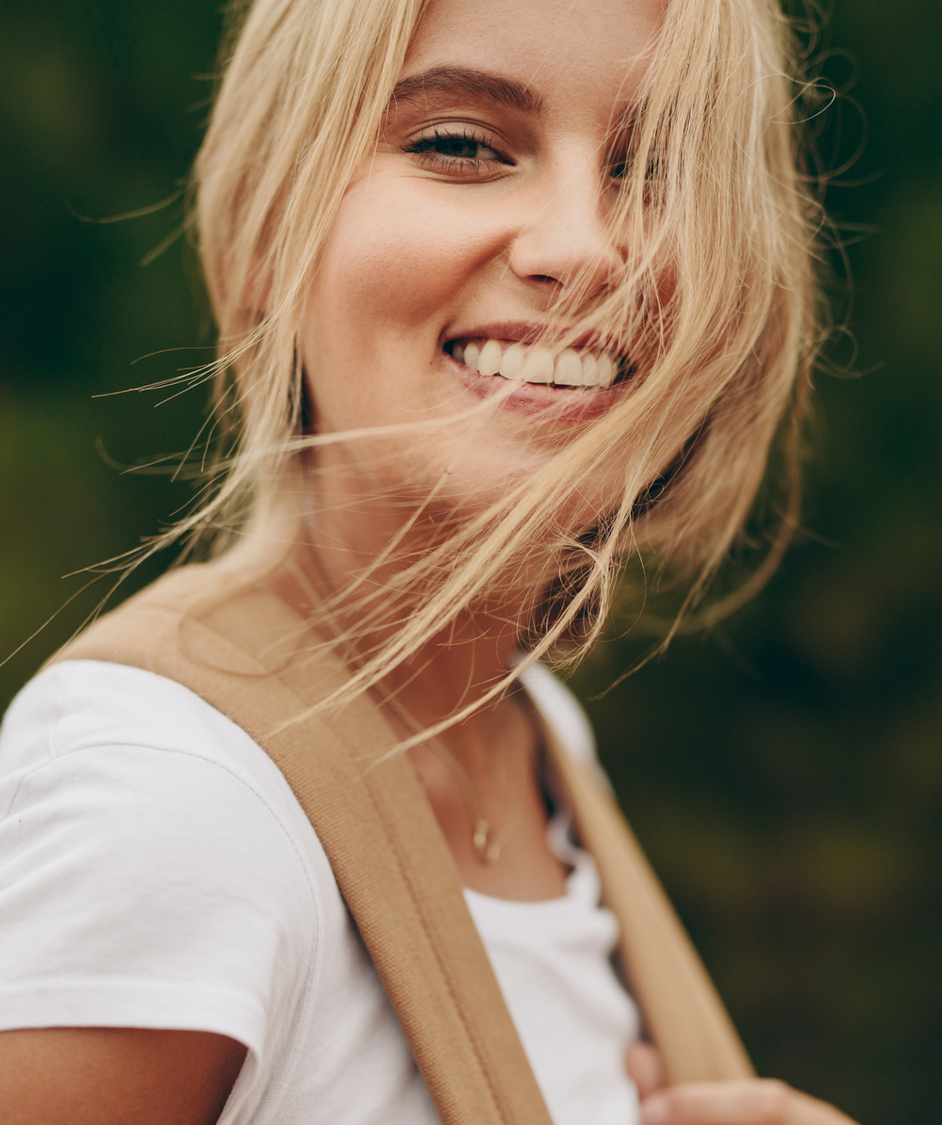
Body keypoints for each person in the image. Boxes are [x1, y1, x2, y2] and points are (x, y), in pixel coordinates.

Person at [0, 0, 861, 1122]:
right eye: (460, 144)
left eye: (660, 168)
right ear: (265, 231)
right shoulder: (171, 792)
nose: (582, 248)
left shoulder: (542, 743)